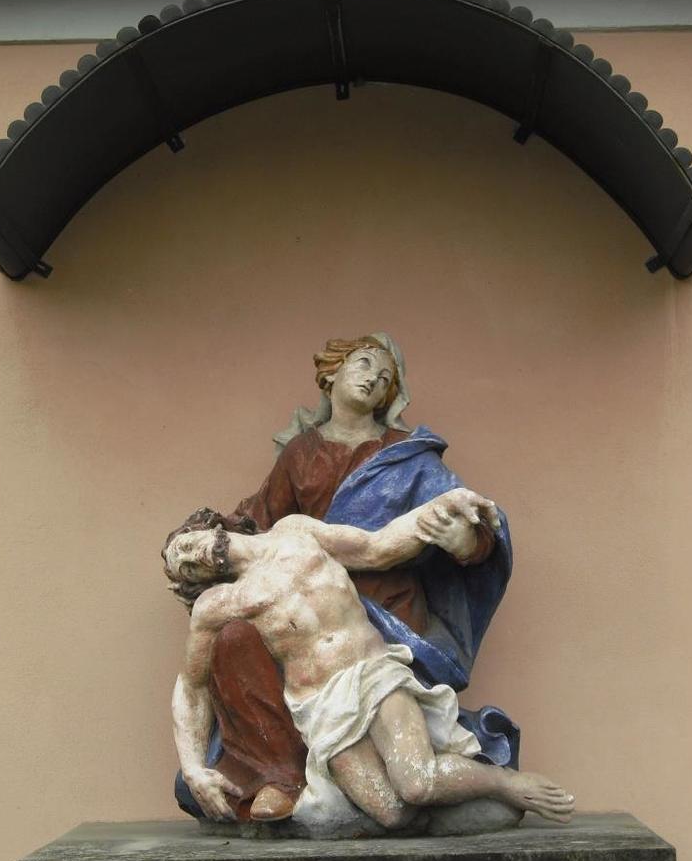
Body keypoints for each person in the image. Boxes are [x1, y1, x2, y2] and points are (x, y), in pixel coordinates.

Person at [176, 334, 516, 822]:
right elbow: (257, 521)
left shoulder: (409, 455)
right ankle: (278, 774)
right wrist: (196, 547)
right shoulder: (300, 454)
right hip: (303, 603)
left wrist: (467, 541)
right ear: (330, 372)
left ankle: (457, 782)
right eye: (364, 364)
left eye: (385, 378)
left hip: (388, 609)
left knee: (398, 782)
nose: (373, 378)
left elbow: (466, 521)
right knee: (233, 639)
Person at [164, 497, 573, 832]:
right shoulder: (217, 604)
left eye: (184, 546)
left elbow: (377, 548)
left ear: (206, 525)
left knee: (416, 782)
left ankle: (506, 783)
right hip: (321, 705)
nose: (190, 558)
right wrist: (193, 767)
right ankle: (459, 810)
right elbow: (192, 686)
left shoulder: (295, 532)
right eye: (185, 569)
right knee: (390, 813)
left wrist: (442, 505)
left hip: (374, 672)